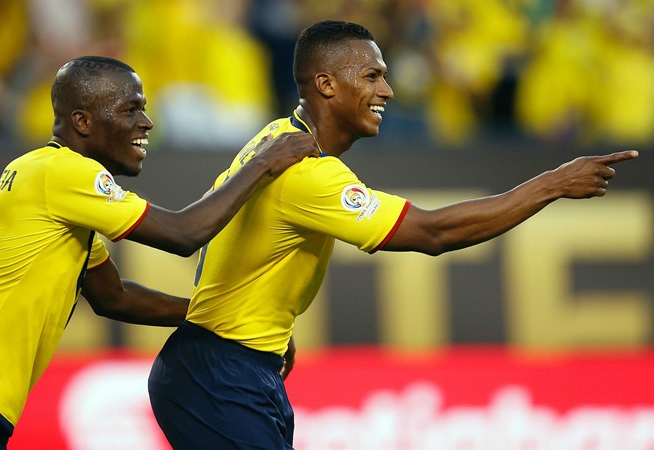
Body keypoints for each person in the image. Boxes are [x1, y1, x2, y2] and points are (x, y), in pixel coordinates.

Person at [147, 20, 639, 449]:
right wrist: (553, 183)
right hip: (219, 375)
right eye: (372, 76)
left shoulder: (277, 136)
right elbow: (434, 232)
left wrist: (263, 334)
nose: (388, 91)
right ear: (326, 84)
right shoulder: (306, 172)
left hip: (236, 365)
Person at [0, 55, 318, 450]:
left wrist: (227, 319)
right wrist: (264, 163)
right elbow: (183, 233)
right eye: (130, 108)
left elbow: (113, 297)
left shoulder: (58, 195)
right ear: (83, 122)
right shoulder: (63, 172)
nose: (146, 122)